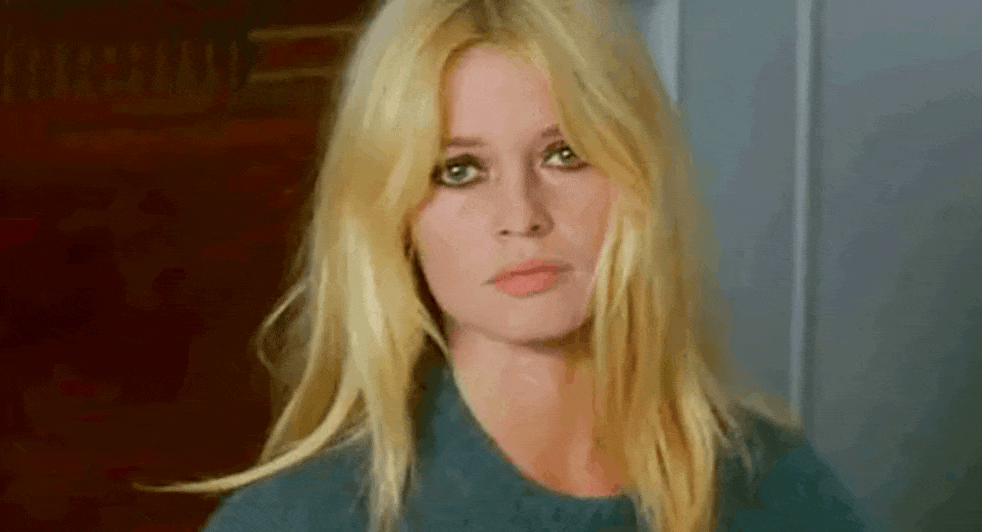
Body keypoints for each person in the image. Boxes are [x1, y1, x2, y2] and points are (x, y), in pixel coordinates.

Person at [135, 1, 871, 531]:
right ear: (394, 216)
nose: (521, 214)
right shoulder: (306, 518)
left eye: (564, 154)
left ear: (638, 179)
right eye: (459, 171)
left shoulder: (774, 483)